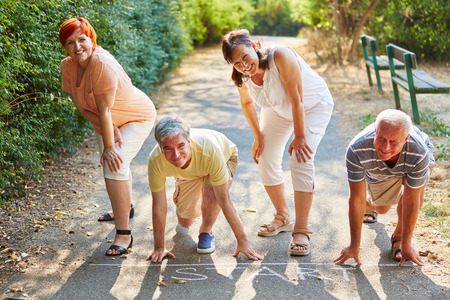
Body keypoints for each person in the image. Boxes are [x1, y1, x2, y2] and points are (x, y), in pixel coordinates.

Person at [221, 29, 333, 256]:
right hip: (277, 108)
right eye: (236, 63)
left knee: (300, 159)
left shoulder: (280, 56)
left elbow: (297, 99)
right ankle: (283, 217)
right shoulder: (241, 75)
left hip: (311, 106)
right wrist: (258, 136)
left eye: (245, 57)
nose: (244, 65)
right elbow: (248, 104)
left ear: (253, 45)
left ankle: (301, 230)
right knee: (264, 156)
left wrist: (300, 137)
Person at [59, 17, 156, 256]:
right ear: (64, 46)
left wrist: (110, 145)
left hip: (136, 116)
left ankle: (124, 233)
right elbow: (82, 108)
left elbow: (105, 110)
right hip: (107, 121)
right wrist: (109, 131)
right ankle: (124, 207)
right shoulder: (67, 66)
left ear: (91, 39)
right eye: (70, 43)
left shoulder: (101, 62)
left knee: (115, 164)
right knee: (115, 167)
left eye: (82, 40)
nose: (77, 47)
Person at [146, 114, 263, 262]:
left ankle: (206, 232)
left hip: (222, 157)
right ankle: (186, 205)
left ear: (189, 142)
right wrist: (159, 247)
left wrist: (242, 240)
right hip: (191, 171)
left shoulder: (209, 151)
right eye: (168, 148)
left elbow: (224, 200)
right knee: (185, 221)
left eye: (181, 146)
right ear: (160, 148)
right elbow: (159, 205)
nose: (175, 155)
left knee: (212, 193)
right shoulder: (155, 161)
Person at [334, 109, 434, 266]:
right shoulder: (357, 149)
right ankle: (371, 204)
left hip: (411, 160)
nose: (386, 147)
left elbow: (411, 199)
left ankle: (399, 238)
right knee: (382, 208)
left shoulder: (419, 151)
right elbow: (356, 198)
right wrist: (354, 245)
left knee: (415, 193)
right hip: (378, 167)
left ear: (406, 138)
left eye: (393, 141)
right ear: (375, 131)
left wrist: (407, 244)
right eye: (381, 138)